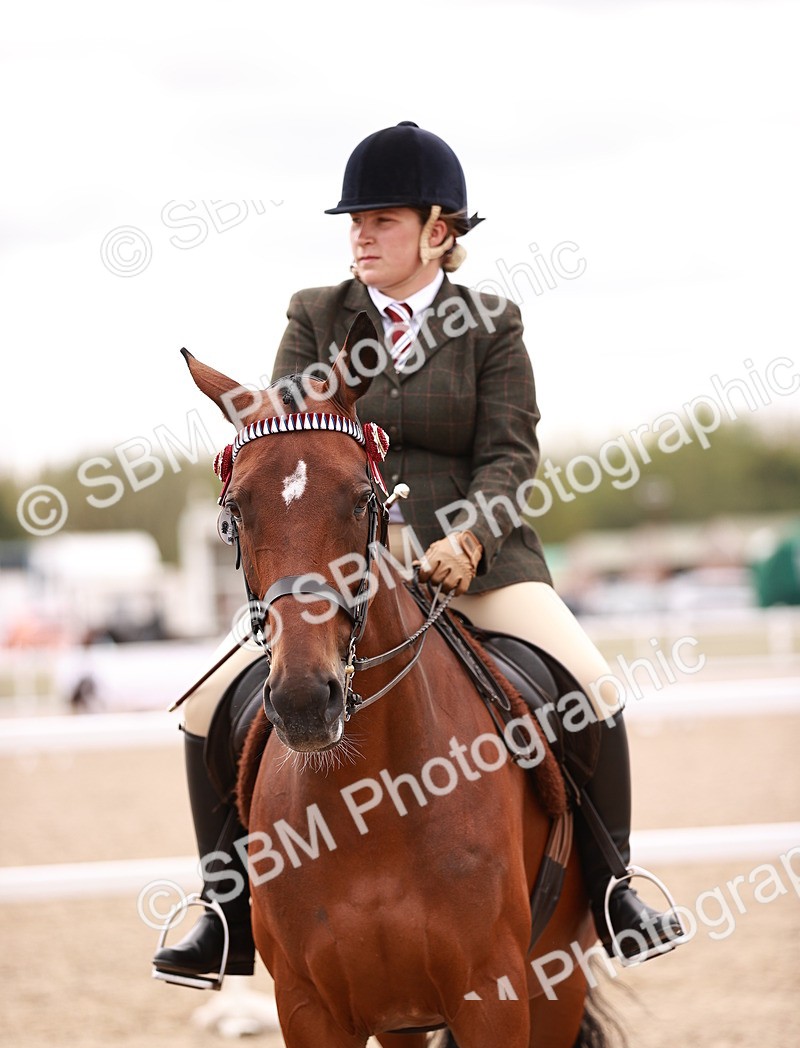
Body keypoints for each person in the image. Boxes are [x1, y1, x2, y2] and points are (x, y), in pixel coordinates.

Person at [153, 121, 682, 985]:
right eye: (354, 222)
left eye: (382, 220)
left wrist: (470, 536)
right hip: (342, 568)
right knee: (207, 704)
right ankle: (223, 911)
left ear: (441, 231)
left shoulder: (491, 324)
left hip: (479, 564)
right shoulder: (315, 315)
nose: (361, 235)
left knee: (594, 687)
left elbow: (511, 452)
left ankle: (619, 888)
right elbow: (290, 439)